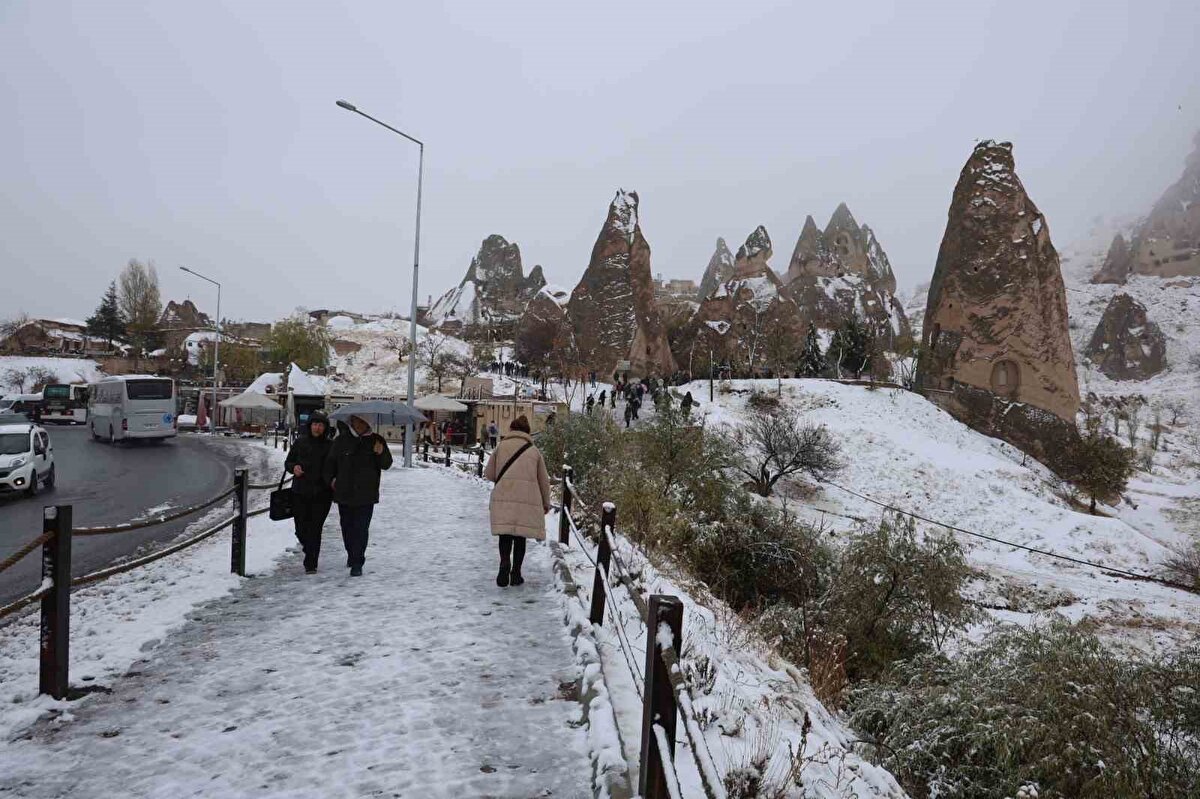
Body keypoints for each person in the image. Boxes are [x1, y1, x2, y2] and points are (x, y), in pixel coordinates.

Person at [484, 415, 551, 588]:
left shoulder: (501, 446)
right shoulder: (534, 450)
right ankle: (516, 573)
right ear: (527, 432)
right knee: (520, 537)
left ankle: (504, 563)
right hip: (527, 499)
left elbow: (489, 474)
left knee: (505, 535)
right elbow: (544, 480)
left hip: (504, 497)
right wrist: (546, 502)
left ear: (512, 429)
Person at [324, 414, 393, 576]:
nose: (360, 424)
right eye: (357, 421)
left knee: (361, 529)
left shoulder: (377, 440)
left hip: (366, 494)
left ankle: (357, 561)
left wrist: (380, 453)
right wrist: (332, 481)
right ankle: (351, 553)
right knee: (347, 528)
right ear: (351, 422)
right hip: (344, 493)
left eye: (364, 421)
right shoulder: (341, 441)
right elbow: (330, 464)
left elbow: (386, 464)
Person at [283, 410, 334, 573]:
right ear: (310, 426)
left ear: (325, 428)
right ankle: (309, 547)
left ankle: (311, 563)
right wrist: (293, 468)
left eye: (321, 425)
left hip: (322, 493)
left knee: (315, 528)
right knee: (301, 528)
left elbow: (335, 467)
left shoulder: (330, 446)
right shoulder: (300, 443)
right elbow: (288, 462)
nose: (318, 428)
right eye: (315, 424)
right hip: (300, 492)